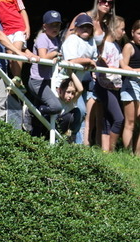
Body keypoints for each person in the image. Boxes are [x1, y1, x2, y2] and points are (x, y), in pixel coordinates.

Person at [58, 13, 98, 144]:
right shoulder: (72, 39)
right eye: (82, 26)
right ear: (76, 28)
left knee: (80, 112)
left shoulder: (92, 42)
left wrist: (89, 63)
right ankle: (55, 141)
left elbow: (95, 59)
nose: (85, 29)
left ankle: (70, 140)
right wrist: (87, 61)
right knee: (63, 113)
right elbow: (71, 60)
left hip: (77, 83)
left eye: (88, 26)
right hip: (63, 82)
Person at [28, 10, 63, 131]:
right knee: (56, 107)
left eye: (58, 25)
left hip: (48, 80)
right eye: (52, 25)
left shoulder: (56, 40)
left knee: (40, 124)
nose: (55, 28)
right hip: (37, 81)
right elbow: (43, 58)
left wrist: (57, 58)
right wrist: (54, 54)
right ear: (44, 26)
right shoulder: (43, 38)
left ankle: (36, 129)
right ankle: (31, 110)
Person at [94, 16, 125, 151]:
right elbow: (101, 63)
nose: (124, 32)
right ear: (113, 28)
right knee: (119, 119)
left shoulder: (117, 46)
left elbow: (122, 65)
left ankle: (106, 152)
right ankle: (112, 151)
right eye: (122, 29)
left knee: (108, 119)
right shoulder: (103, 46)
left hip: (115, 87)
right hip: (104, 86)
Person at [120, 20, 140, 155]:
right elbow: (124, 67)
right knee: (130, 122)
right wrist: (138, 71)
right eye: (139, 33)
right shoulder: (129, 46)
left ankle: (137, 155)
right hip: (131, 84)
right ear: (132, 32)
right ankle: (128, 154)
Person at [54, 72, 84, 139]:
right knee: (67, 117)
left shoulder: (72, 100)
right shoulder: (55, 97)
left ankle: (70, 135)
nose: (70, 96)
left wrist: (71, 72)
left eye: (73, 93)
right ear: (60, 91)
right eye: (68, 92)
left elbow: (80, 89)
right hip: (54, 124)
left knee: (77, 111)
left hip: (65, 126)